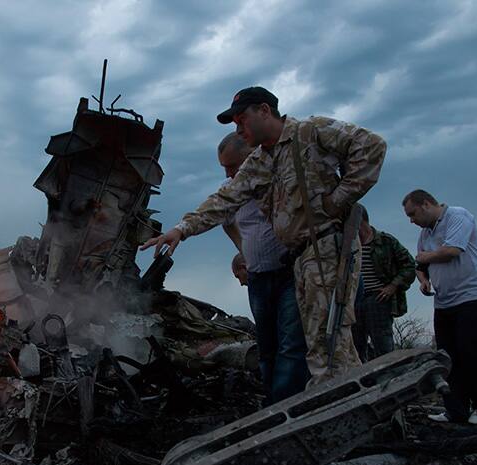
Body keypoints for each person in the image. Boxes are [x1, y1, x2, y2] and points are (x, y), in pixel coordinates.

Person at [141, 86, 387, 384]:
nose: (238, 127)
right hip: (301, 258)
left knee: (327, 342)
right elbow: (224, 198)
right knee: (332, 346)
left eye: (241, 119)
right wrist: (181, 230)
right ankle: (365, 408)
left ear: (264, 111)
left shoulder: (310, 131)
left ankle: (331, 416)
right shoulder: (261, 161)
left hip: (327, 248)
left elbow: (372, 146)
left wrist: (338, 199)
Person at [219, 133, 309, 404]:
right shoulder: (230, 189)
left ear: (252, 155)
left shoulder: (278, 178)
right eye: (223, 167)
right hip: (258, 276)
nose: (228, 172)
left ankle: (288, 406)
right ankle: (272, 404)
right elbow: (224, 221)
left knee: (291, 343)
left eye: (233, 165)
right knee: (266, 345)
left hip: (289, 273)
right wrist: (244, 250)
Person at [403, 189, 477, 424]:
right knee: (447, 357)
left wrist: (424, 258)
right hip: (444, 301)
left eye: (413, 214)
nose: (411, 221)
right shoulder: (426, 232)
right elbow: (420, 263)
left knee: (472, 352)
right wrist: (423, 280)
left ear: (425, 204)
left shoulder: (457, 216)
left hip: (473, 296)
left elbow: (452, 251)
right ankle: (456, 409)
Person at [352, 207, 416, 362]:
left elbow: (409, 265)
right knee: (355, 349)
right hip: (353, 301)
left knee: (383, 348)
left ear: (361, 221)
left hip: (378, 299)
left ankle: (390, 380)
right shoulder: (349, 245)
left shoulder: (386, 241)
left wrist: (393, 286)